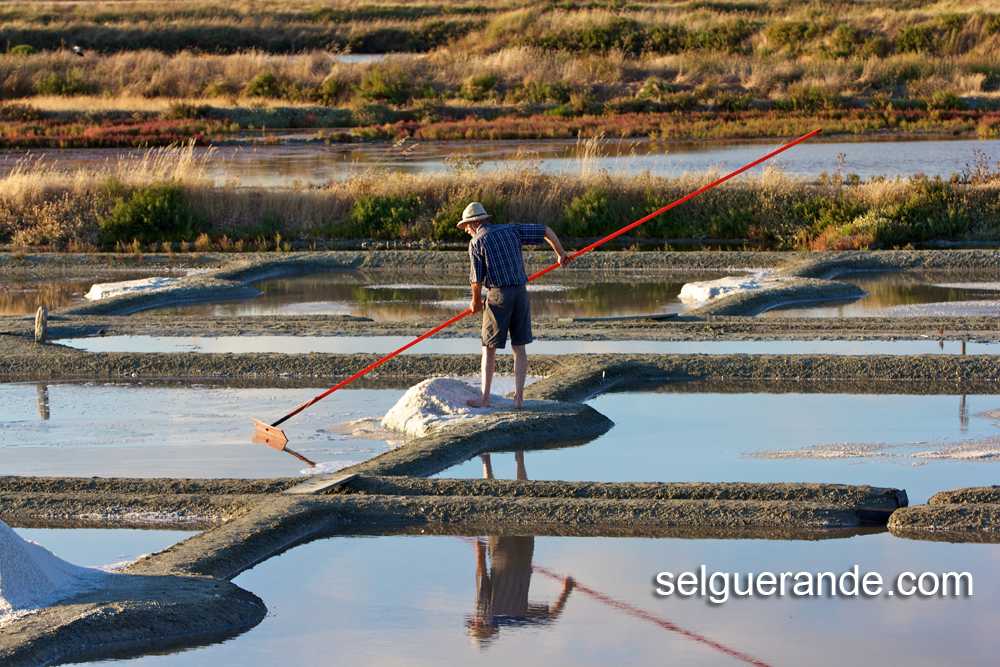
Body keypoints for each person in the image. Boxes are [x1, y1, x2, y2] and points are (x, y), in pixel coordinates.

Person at [457, 202, 570, 409]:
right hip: (520, 292)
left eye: (466, 226)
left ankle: (484, 399)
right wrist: (560, 253)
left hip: (499, 295)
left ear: (474, 223)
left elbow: (476, 280)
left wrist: (475, 302)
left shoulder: (476, 241)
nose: (465, 230)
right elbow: (545, 230)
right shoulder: (512, 229)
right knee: (519, 347)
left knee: (488, 348)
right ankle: (518, 400)